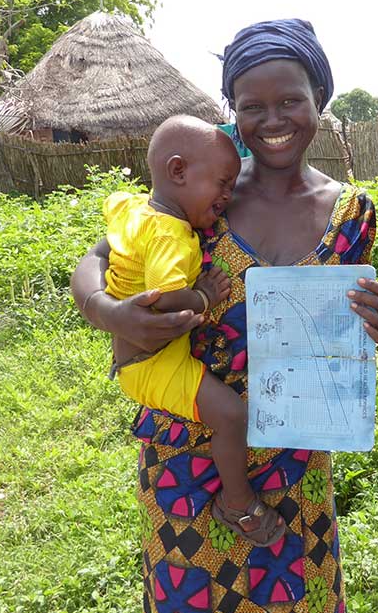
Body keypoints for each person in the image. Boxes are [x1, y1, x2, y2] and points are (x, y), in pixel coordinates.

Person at [71, 19, 378, 613]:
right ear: (232, 111)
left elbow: (348, 322)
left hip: (297, 454)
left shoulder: (351, 212)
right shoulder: (207, 193)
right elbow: (98, 258)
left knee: (302, 611)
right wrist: (107, 311)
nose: (273, 118)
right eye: (251, 105)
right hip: (187, 449)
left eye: (291, 100)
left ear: (321, 100)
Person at [101, 115, 287, 547]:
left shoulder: (134, 209)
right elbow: (164, 299)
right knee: (231, 416)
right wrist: (203, 296)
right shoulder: (171, 235)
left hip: (142, 357)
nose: (227, 195)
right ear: (179, 170)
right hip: (154, 361)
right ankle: (237, 502)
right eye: (222, 183)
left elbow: (110, 229)